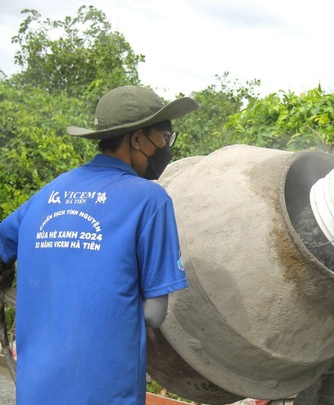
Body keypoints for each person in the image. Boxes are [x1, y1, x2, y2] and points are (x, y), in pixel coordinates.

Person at [0, 85, 198, 404]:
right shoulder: (149, 199)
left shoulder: (48, 193)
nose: (167, 145)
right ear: (137, 139)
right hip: (105, 394)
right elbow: (154, 313)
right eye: (164, 135)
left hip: (34, 391)